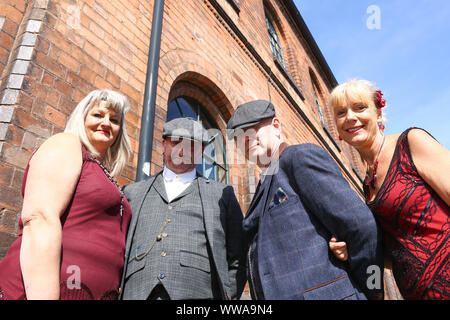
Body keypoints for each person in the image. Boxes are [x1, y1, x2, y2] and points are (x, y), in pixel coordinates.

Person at [226, 100, 384, 300]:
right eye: (239, 137)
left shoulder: (298, 158)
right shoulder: (263, 187)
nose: (246, 139)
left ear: (276, 127)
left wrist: (373, 290)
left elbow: (363, 227)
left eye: (252, 128)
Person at [0, 89, 132, 300]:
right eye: (98, 115)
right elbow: (39, 218)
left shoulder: (104, 173)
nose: (106, 123)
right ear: (82, 118)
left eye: (114, 120)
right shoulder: (67, 144)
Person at [328, 79, 450, 300]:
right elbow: (394, 254)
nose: (350, 117)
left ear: (377, 112)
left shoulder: (411, 142)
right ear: (336, 126)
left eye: (359, 107)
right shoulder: (367, 186)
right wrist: (352, 250)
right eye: (341, 112)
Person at [119, 117, 246, 300]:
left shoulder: (222, 194)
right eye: (176, 142)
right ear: (163, 144)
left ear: (202, 151)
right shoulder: (132, 193)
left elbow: (238, 258)